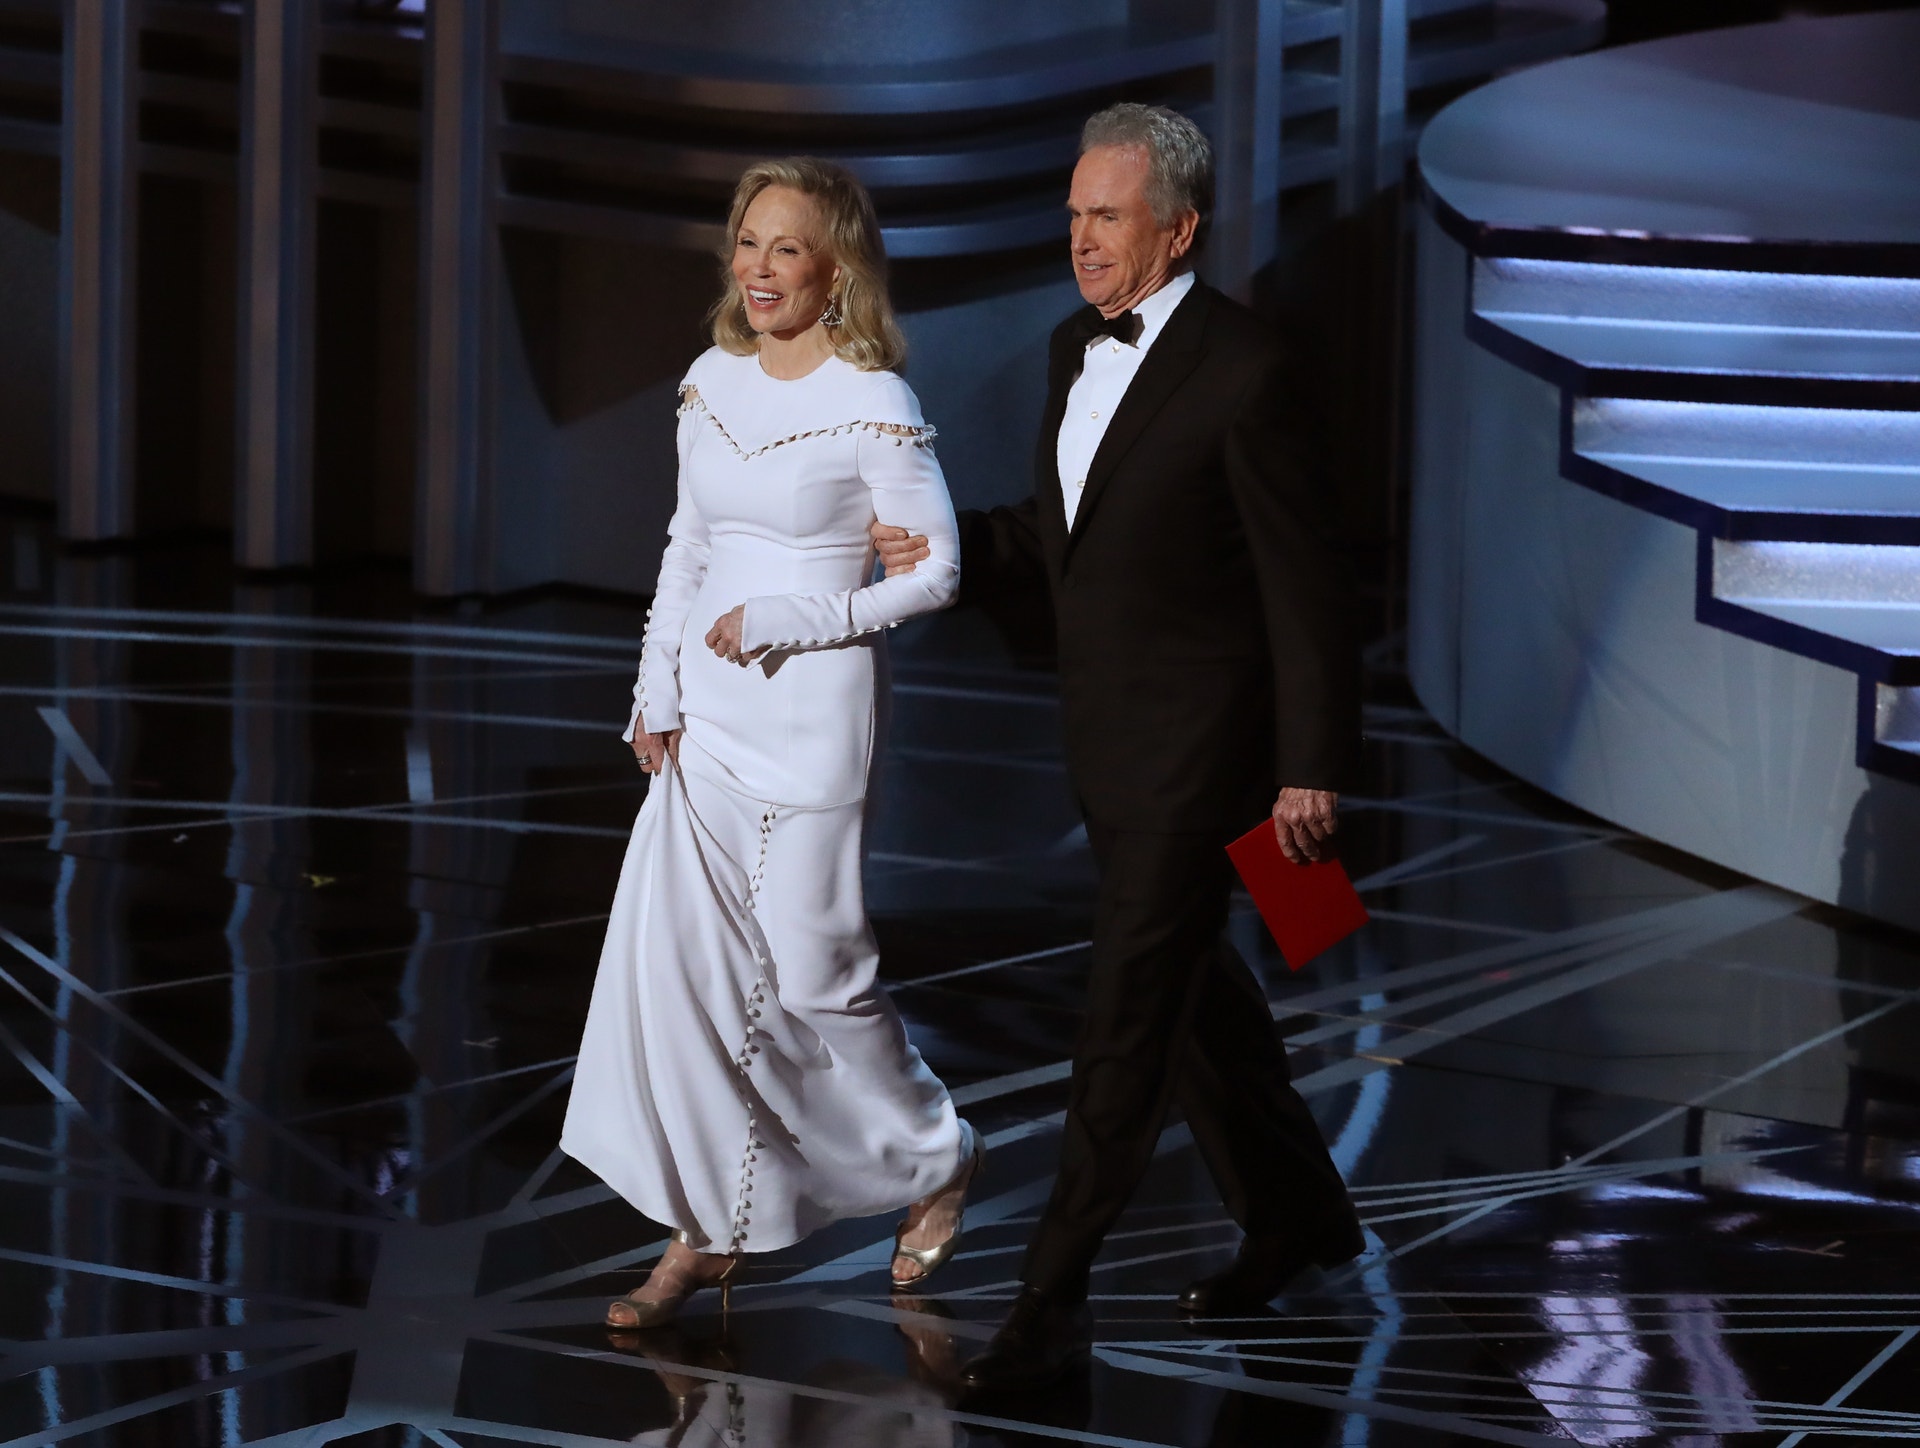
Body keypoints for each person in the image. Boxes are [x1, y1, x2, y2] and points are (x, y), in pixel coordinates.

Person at [874, 103, 1365, 1392]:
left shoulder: (1247, 370)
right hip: (1108, 744)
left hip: (1209, 755)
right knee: (1200, 1000)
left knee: (1126, 1023)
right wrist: (946, 548)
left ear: (1177, 229)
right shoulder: (1070, 347)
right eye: (1075, 214)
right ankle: (1303, 1214)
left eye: (1108, 216)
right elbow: (1065, 535)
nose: (1082, 239)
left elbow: (1308, 584)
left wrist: (1311, 764)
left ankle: (1051, 1300)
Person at [563, 157, 984, 1329]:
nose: (758, 267)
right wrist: (654, 686)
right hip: (706, 720)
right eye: (748, 242)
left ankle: (939, 1150)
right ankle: (704, 1226)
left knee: (815, 975)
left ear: (835, 267)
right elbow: (687, 545)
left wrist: (794, 616)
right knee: (693, 981)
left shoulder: (874, 399)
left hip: (813, 713)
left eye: (785, 246)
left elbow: (936, 573)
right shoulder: (710, 380)